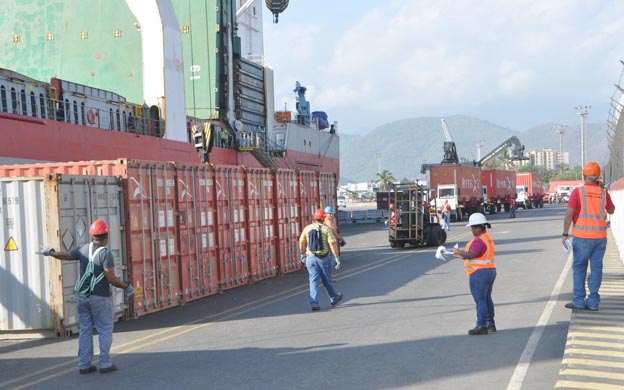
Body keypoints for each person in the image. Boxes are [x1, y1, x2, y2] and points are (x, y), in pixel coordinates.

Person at [41, 219, 134, 374]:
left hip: (82, 298)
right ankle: (104, 363)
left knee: (85, 329)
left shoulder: (83, 249)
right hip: (100, 298)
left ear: (92, 236)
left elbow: (65, 256)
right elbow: (110, 278)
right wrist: (126, 286)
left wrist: (50, 252)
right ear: (106, 237)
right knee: (105, 329)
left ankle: (84, 364)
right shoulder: (106, 254)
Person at [563, 162, 615, 311]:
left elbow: (569, 213)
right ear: (598, 176)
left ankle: (579, 301)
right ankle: (593, 302)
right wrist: (603, 189)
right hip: (600, 237)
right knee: (596, 269)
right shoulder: (604, 192)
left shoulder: (578, 192)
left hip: (582, 237)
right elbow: (611, 210)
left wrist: (565, 234)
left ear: (584, 176)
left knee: (579, 268)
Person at [453, 213, 496, 335]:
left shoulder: (478, 241)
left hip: (479, 273)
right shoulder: (487, 238)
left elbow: (472, 255)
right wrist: (460, 255)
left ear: (478, 227)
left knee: (480, 300)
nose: (471, 230)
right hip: (490, 270)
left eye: (472, 227)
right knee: (487, 298)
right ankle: (490, 324)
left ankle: (481, 326)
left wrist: (458, 252)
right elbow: (476, 256)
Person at [299, 208, 343, 311]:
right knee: (327, 280)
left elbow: (301, 242)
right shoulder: (326, 229)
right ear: (323, 218)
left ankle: (314, 303)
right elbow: (332, 244)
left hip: (310, 258)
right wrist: (337, 258)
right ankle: (334, 298)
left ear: (314, 218)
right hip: (324, 259)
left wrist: (302, 254)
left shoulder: (307, 228)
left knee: (313, 281)